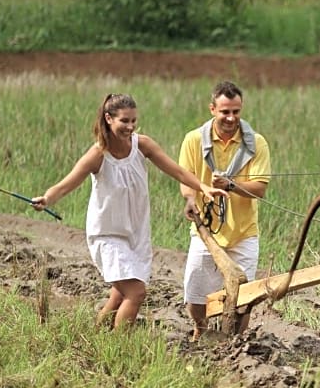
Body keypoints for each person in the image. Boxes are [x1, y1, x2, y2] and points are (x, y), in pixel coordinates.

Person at [31, 93, 227, 330]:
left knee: (118, 294)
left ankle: (96, 334)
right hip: (107, 234)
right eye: (124, 121)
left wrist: (202, 187)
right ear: (108, 119)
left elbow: (177, 171)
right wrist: (47, 198)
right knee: (136, 293)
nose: (130, 126)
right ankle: (118, 346)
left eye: (134, 121)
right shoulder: (98, 154)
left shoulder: (141, 145)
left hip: (136, 234)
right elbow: (67, 183)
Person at [178, 81, 271, 339]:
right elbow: (186, 180)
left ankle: (235, 341)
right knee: (195, 293)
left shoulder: (256, 143)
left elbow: (260, 188)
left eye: (236, 112)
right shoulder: (194, 140)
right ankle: (201, 329)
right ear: (212, 109)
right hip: (205, 230)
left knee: (244, 297)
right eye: (225, 112)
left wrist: (231, 185)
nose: (231, 118)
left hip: (243, 231)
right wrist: (190, 200)